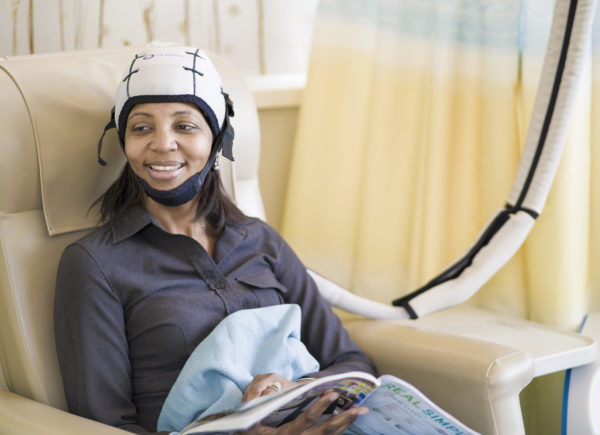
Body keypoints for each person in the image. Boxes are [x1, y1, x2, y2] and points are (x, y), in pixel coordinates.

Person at [54, 46, 375, 435]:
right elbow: (103, 425)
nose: (162, 143)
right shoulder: (94, 263)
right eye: (141, 127)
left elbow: (352, 362)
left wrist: (299, 390)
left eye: (184, 126)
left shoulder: (260, 239)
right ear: (124, 141)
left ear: (217, 139)